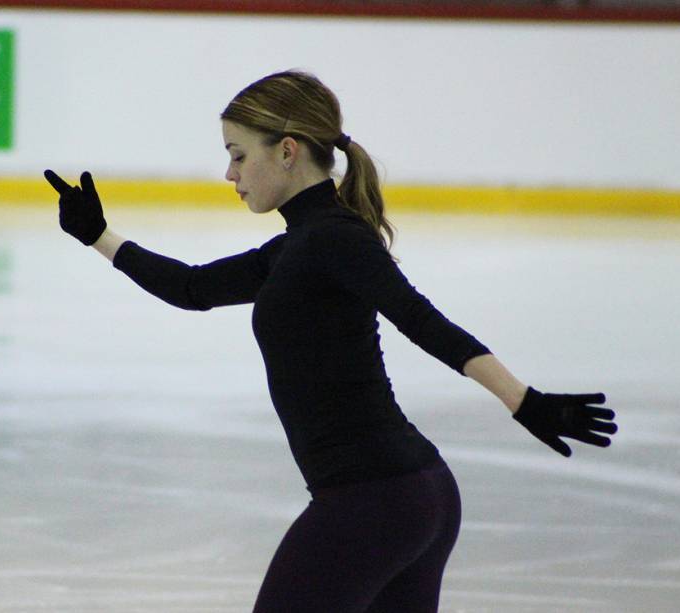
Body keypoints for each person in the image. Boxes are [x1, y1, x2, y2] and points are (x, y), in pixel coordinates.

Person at [44, 70, 618, 613]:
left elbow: (419, 318)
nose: (230, 174)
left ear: (288, 150)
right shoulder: (296, 246)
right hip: (410, 497)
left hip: (374, 502)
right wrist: (99, 235)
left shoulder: (335, 239)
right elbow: (192, 288)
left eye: (239, 156)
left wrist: (522, 400)